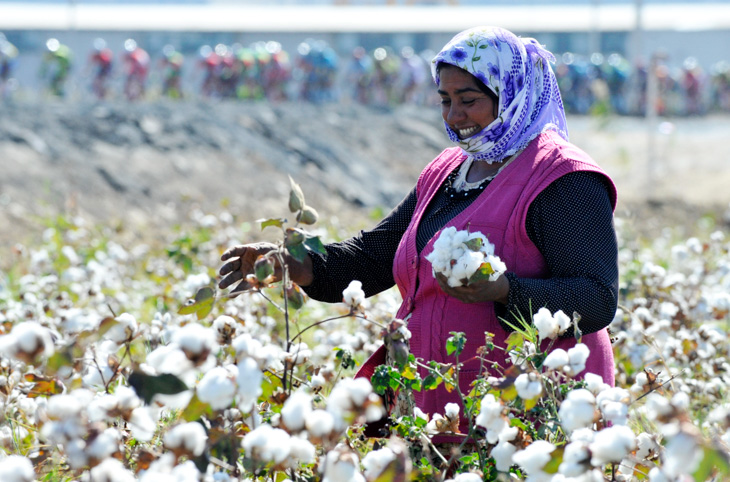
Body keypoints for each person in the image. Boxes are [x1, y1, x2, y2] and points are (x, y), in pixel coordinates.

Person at [218, 26, 618, 435]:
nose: (453, 115)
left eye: (469, 100)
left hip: (527, 408)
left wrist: (504, 291)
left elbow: (597, 298)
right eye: (445, 100)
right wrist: (299, 266)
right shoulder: (448, 170)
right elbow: (375, 256)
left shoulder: (563, 179)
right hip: (435, 398)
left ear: (512, 92)